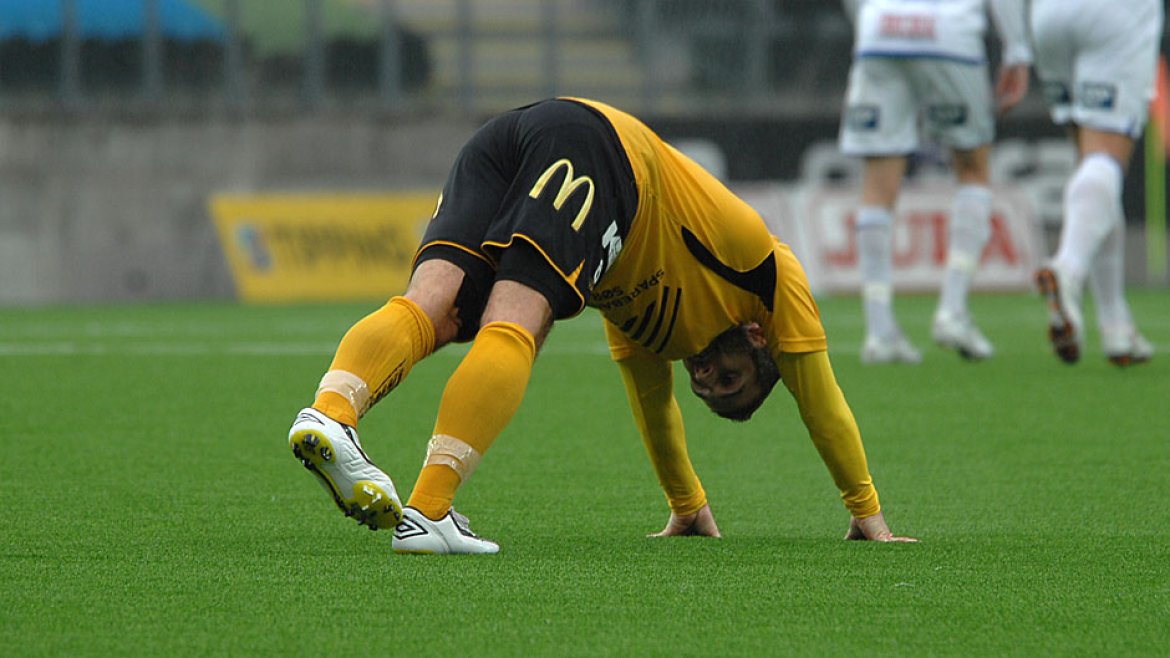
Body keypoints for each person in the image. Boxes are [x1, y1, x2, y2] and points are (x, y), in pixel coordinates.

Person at [287, 97, 917, 554]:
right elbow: (820, 398)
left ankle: (330, 410)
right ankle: (428, 512)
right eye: (728, 376)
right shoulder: (766, 273)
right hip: (605, 156)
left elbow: (654, 408)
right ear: (758, 340)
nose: (703, 375)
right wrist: (866, 511)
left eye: (708, 388)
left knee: (438, 307)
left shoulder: (655, 332)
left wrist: (686, 503)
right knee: (518, 322)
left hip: (511, 134)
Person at [838, 0, 1032, 363]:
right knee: (972, 169)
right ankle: (953, 311)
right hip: (949, 35)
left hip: (881, 28)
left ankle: (879, 332)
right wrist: (1017, 49)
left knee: (877, 184)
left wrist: (868, 22)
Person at [1031, 0, 1161, 366]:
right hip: (1115, 13)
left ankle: (1115, 323)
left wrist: (1017, 47)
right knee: (1105, 157)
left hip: (1048, 17)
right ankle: (1068, 270)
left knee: (1093, 162)